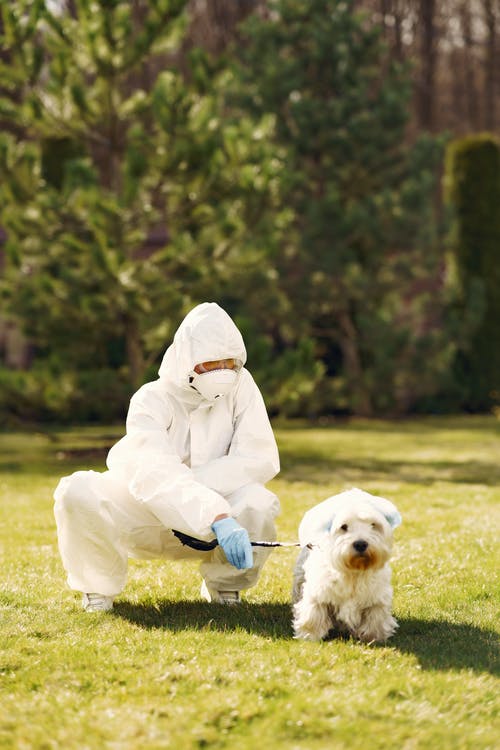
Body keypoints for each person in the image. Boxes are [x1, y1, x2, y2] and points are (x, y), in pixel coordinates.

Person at [54, 302, 280, 611]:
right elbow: (152, 471)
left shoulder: (242, 387)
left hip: (218, 519)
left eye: (230, 363)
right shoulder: (151, 399)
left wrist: (201, 497)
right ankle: (98, 589)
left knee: (259, 502)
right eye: (212, 364)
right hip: (145, 515)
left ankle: (226, 587)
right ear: (187, 361)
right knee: (76, 489)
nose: (223, 373)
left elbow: (259, 456)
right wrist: (213, 513)